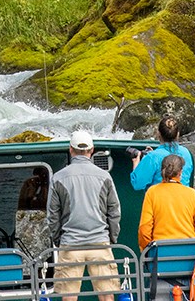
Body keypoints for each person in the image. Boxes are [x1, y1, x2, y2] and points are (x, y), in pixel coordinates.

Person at [46, 129, 121, 301]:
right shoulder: (104, 176)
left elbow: (52, 215)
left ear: (70, 150)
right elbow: (114, 211)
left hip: (70, 244)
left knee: (69, 296)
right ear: (92, 150)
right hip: (99, 242)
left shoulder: (58, 178)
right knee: (107, 295)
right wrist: (111, 237)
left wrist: (58, 239)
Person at [138, 154, 195, 250]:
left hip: (160, 251)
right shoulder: (193, 194)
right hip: (188, 251)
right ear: (180, 172)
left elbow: (144, 229)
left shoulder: (152, 192)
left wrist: (147, 250)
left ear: (162, 170)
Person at [130, 116, 193, 190]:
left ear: (158, 134)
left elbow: (137, 184)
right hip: (183, 196)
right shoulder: (186, 153)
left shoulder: (153, 157)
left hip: (160, 197)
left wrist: (136, 164)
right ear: (177, 134)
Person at [15, 167, 51, 261]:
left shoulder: (47, 186)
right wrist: (32, 187)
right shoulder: (29, 183)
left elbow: (46, 201)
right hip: (28, 225)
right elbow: (24, 201)